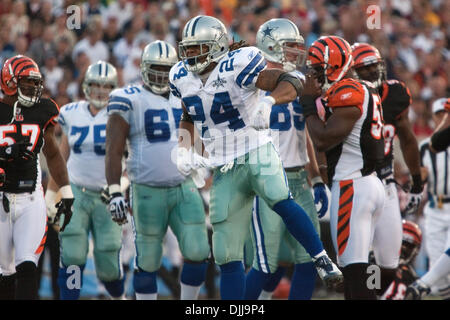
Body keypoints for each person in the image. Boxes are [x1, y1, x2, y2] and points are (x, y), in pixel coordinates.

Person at [169, 15, 342, 300]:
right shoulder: (181, 77)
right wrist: (184, 148)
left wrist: (269, 100)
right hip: (224, 166)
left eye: (195, 48)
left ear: (214, 46)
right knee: (226, 253)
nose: (188, 54)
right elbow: (188, 114)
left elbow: (290, 80)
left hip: (256, 151)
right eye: (186, 48)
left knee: (279, 197)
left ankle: (321, 258)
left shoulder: (237, 64)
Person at [105, 40, 211, 300]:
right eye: (157, 69)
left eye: (167, 69)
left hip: (184, 186)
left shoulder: (185, 95)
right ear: (143, 68)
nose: (163, 75)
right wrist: (115, 191)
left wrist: (211, 164)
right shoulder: (127, 98)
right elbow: (113, 149)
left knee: (199, 253)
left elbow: (194, 140)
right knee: (148, 261)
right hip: (146, 190)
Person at [244, 18, 329, 300]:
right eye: (291, 47)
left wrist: (315, 177)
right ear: (272, 46)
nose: (296, 53)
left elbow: (302, 134)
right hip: (266, 177)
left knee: (309, 259)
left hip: (298, 180)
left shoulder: (300, 81)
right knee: (265, 263)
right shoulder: (252, 81)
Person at [301, 36, 386, 299]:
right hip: (366, 183)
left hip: (352, 185)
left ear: (333, 65)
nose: (313, 74)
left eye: (317, 68)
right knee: (360, 268)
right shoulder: (362, 88)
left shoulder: (347, 91)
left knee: (353, 271)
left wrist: (307, 104)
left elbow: (323, 137)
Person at [45, 60, 125, 300]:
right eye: (95, 85)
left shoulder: (121, 113)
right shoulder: (71, 112)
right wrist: (51, 194)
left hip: (106, 194)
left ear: (113, 87)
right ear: (86, 86)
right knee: (72, 254)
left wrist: (119, 188)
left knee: (108, 258)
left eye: (106, 85)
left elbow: (132, 161)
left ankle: (119, 297)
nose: (100, 90)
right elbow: (60, 157)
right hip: (76, 192)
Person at [351, 43, 423, 296]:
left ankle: (372, 294)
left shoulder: (395, 94)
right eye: (364, 68)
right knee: (356, 259)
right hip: (355, 181)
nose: (371, 71)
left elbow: (407, 137)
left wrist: (416, 180)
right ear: (353, 72)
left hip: (387, 182)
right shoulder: (347, 97)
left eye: (374, 65)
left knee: (389, 263)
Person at [0, 55, 74, 300]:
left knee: (27, 267)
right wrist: (5, 152)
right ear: (10, 81)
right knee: (4, 274)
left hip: (31, 198)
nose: (33, 89)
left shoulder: (43, 111)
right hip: (1, 198)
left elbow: (52, 153)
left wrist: (66, 192)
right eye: (27, 83)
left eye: (35, 83)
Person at [417, 98, 450, 299]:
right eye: (439, 114)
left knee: (447, 255)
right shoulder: (425, 146)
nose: (443, 118)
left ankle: (422, 286)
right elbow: (422, 175)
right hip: (434, 206)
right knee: (436, 256)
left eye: (445, 114)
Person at [378, 220, 423, 300]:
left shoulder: (411, 279)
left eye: (408, 245)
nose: (403, 248)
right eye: (400, 243)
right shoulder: (374, 261)